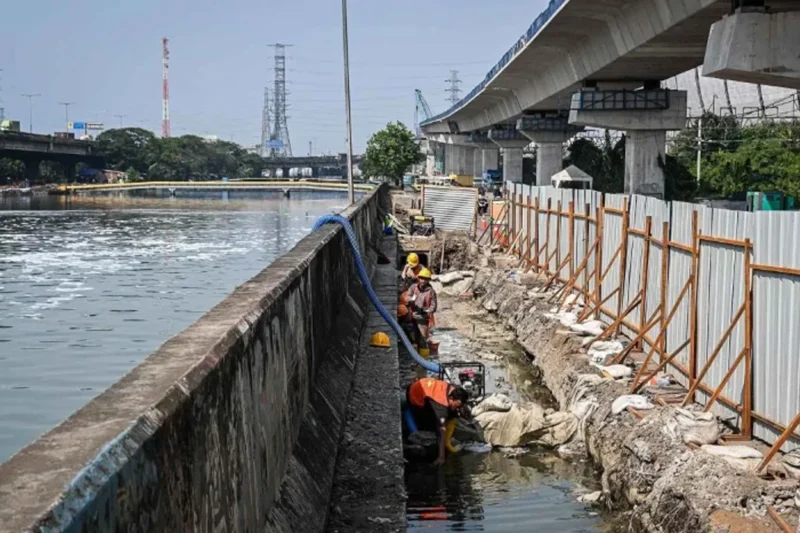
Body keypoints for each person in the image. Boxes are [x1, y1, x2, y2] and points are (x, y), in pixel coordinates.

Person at [406, 377, 469, 465]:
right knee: (435, 426)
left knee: (452, 412)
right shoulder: (440, 404)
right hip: (414, 396)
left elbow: (457, 406)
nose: (458, 408)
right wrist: (441, 457)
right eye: (457, 405)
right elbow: (441, 430)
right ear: (451, 398)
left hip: (423, 385)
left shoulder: (453, 389)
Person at [408, 268, 437, 341]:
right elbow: (407, 296)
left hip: (423, 318)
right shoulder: (413, 287)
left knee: (423, 339)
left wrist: (429, 310)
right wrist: (410, 300)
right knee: (412, 338)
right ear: (419, 278)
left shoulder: (431, 291)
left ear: (428, 280)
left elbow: (434, 304)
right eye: (421, 278)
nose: (423, 280)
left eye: (425, 279)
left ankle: (422, 350)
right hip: (412, 316)